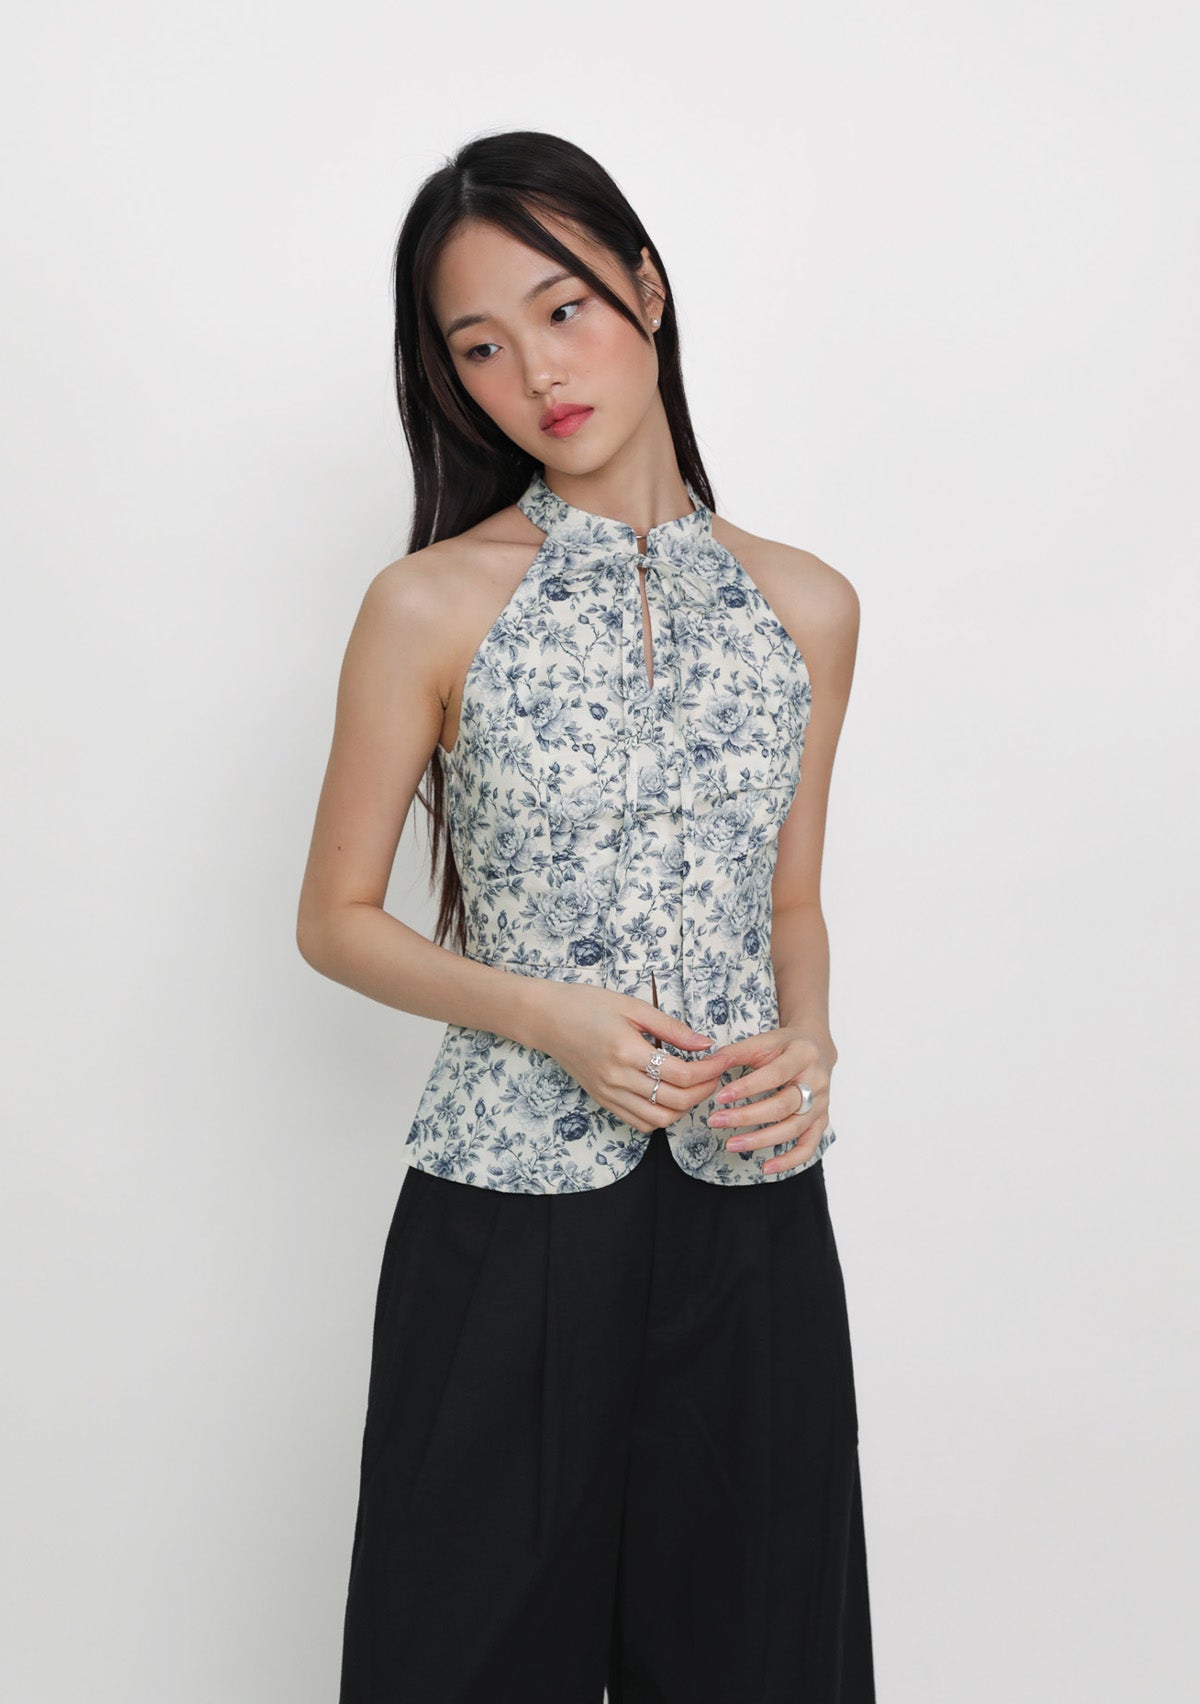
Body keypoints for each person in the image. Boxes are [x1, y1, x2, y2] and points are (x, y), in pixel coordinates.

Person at [297, 129, 875, 1704]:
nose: (535, 372)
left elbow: (793, 900)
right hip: (505, 1219)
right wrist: (545, 1014)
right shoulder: (429, 603)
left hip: (753, 1206)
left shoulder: (806, 605)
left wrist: (814, 1041)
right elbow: (335, 916)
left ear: (647, 290)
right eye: (479, 346)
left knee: (765, 1662)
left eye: (562, 311)